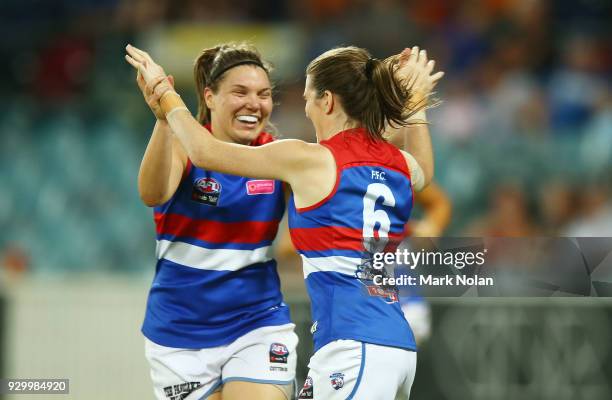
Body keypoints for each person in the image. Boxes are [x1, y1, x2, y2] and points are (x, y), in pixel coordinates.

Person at [126, 43, 443, 399]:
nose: (305, 110)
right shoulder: (389, 161)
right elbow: (424, 170)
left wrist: (165, 95)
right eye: (241, 92)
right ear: (210, 96)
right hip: (387, 341)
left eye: (307, 99)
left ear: (327, 102)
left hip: (347, 343)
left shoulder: (302, 159)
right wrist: (414, 106)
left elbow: (206, 152)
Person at [136, 43, 298, 400]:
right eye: (240, 92)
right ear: (209, 97)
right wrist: (164, 119)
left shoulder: (278, 156)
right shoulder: (180, 144)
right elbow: (151, 193)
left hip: (257, 322)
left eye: (264, 94)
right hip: (179, 332)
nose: (254, 103)